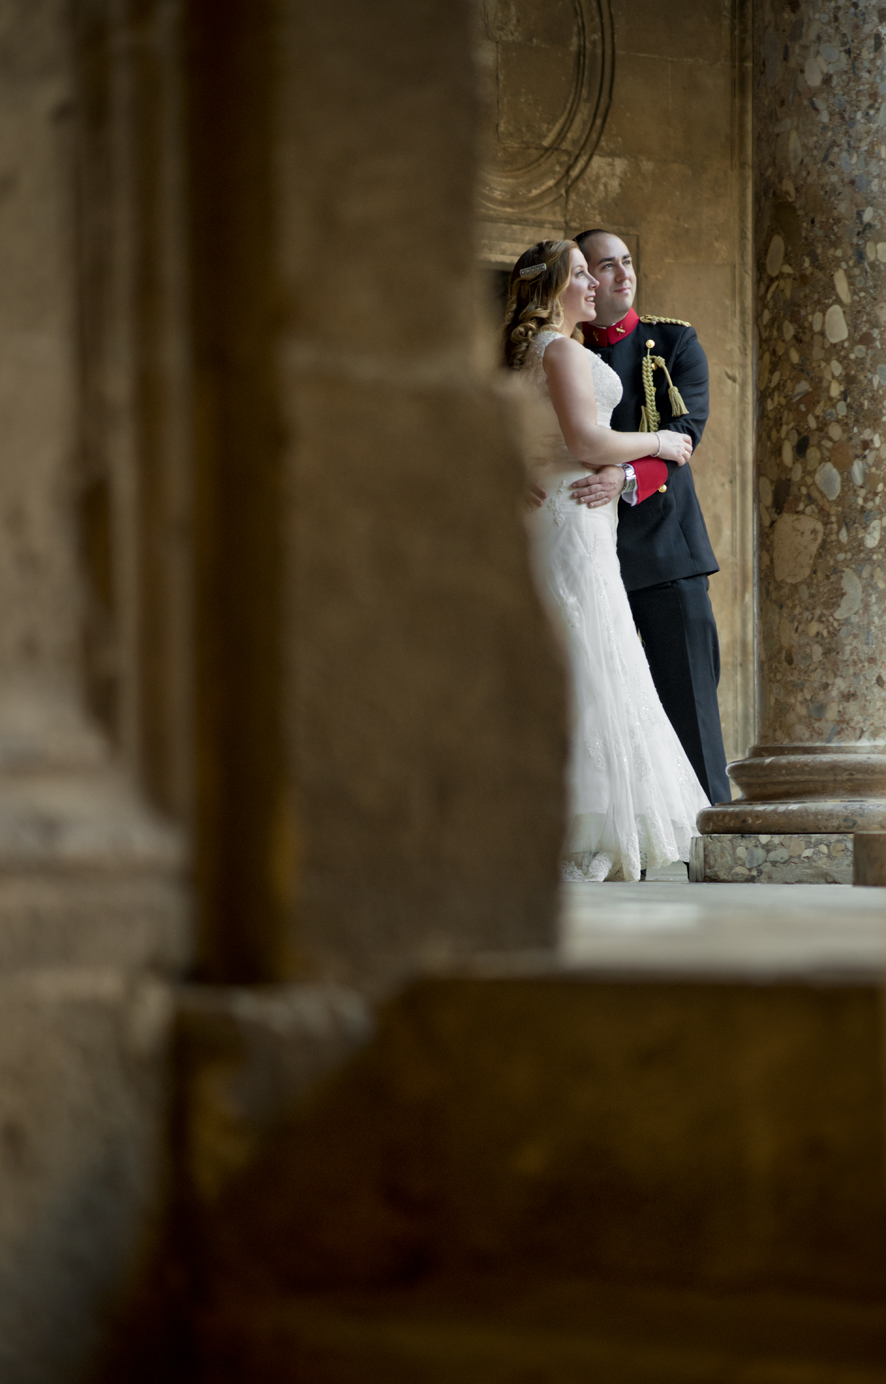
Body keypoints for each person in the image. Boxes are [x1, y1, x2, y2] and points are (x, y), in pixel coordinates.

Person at [507, 239, 709, 882]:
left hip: (587, 523)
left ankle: (581, 832)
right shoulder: (561, 348)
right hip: (573, 522)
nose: (598, 283)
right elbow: (584, 439)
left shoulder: (541, 351)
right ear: (557, 286)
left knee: (592, 661)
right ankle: (581, 835)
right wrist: (662, 441)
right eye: (584, 273)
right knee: (588, 664)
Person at [566, 228, 731, 806]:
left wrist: (625, 477)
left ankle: (714, 853)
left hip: (667, 551)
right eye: (605, 267)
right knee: (599, 715)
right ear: (581, 279)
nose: (622, 275)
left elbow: (686, 435)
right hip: (588, 554)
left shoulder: (673, 342)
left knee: (692, 712)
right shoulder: (561, 351)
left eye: (627, 262)